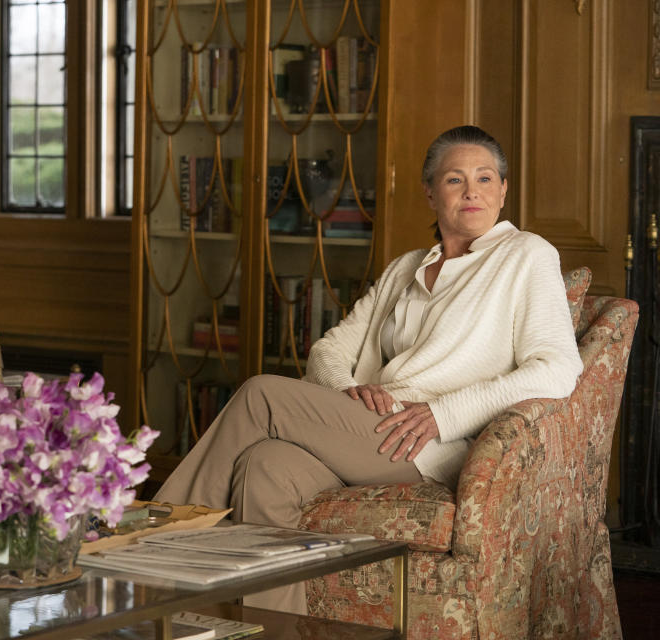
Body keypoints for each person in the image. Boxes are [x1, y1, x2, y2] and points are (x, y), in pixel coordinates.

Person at [153, 125, 583, 613]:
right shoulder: (406, 268)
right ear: (429, 191)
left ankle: (153, 551)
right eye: (454, 180)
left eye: (485, 179)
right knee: (265, 466)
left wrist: (443, 413)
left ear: (503, 190)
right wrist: (350, 389)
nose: (472, 192)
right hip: (367, 425)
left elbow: (557, 369)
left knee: (261, 394)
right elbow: (328, 351)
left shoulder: (527, 255)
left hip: (427, 444)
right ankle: (266, 627)